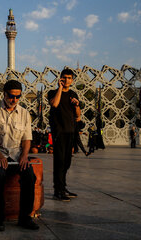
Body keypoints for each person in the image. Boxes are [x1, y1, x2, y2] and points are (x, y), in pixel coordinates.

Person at [0, 80, 38, 231]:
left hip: (16, 153)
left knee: (30, 177)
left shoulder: (24, 114)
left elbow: (27, 139)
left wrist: (25, 156)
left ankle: (25, 218)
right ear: (4, 94)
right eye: (11, 96)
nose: (14, 100)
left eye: (18, 97)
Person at [48, 68, 81, 201]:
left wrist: (77, 105)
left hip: (70, 131)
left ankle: (63, 187)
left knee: (67, 161)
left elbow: (78, 116)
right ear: (61, 78)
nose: (67, 80)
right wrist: (60, 88)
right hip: (59, 132)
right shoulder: (53, 93)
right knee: (59, 162)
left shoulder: (74, 94)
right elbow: (54, 104)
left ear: (72, 80)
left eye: (69, 78)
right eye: (64, 77)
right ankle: (58, 190)